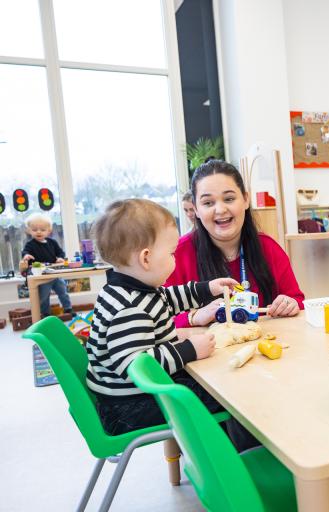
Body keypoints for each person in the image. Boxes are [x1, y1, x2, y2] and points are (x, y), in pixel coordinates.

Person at [85, 199, 256, 449]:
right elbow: (136, 367)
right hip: (130, 409)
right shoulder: (129, 308)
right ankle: (238, 457)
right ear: (146, 258)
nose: (175, 258)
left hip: (134, 399)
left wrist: (207, 288)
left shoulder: (139, 289)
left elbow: (170, 298)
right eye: (172, 253)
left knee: (219, 381)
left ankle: (225, 447)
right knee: (230, 394)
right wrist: (188, 350)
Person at [166, 160, 304, 327]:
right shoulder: (177, 255)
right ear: (195, 209)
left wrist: (290, 304)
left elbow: (298, 301)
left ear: (245, 200)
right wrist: (192, 317)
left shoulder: (268, 247)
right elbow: (156, 318)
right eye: (208, 203)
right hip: (207, 352)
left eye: (229, 198)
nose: (220, 209)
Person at [21, 213, 72, 316]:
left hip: (55, 273)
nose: (38, 232)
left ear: (49, 231)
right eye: (35, 230)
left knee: (63, 291)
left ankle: (68, 309)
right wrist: (26, 256)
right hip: (42, 275)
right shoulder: (30, 245)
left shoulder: (52, 242)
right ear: (29, 230)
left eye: (42, 230)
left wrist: (60, 258)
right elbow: (25, 252)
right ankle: (45, 313)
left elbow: (60, 252)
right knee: (44, 296)